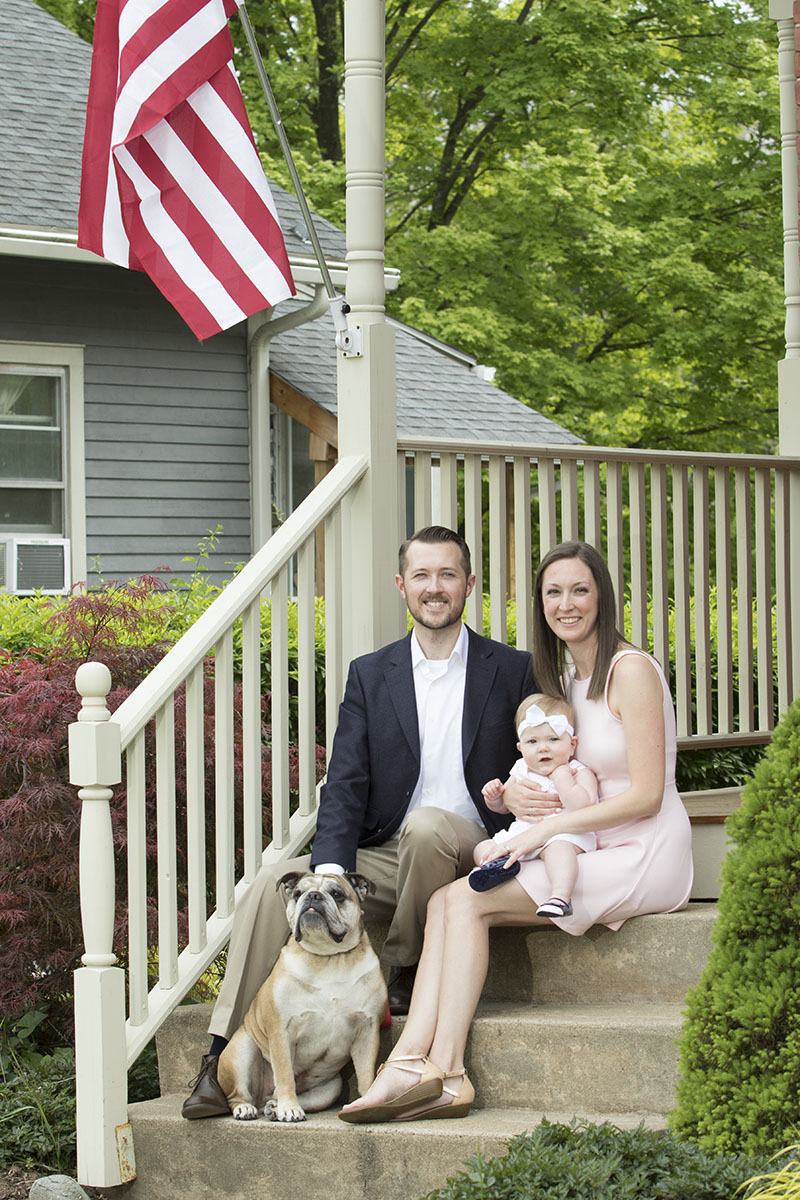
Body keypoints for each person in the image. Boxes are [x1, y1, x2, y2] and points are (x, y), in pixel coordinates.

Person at [181, 525, 535, 1119]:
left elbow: (538, 755)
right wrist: (330, 869)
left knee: (427, 825)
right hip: (388, 851)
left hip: (472, 846)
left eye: (448, 574)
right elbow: (344, 780)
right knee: (277, 885)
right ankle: (218, 1053)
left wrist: (520, 800)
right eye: (421, 575)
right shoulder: (373, 674)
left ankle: (403, 967)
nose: (434, 587)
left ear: (470, 584)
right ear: (402, 586)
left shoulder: (511, 668)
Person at [339, 539, 693, 1124]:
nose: (567, 604)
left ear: (602, 594)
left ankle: (435, 1069)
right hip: (583, 843)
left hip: (644, 848)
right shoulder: (564, 682)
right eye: (553, 592)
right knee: (450, 899)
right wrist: (521, 800)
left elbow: (648, 794)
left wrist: (545, 828)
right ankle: (421, 1067)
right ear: (541, 604)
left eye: (580, 589)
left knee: (467, 904)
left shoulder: (630, 671)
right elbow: (552, 769)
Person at [468, 693, 598, 919]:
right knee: (483, 847)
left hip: (562, 833)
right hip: (523, 834)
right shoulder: (520, 770)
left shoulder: (578, 770)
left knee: (559, 852)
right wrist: (495, 796)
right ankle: (496, 869)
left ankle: (560, 897)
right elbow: (503, 808)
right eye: (533, 742)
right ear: (520, 748)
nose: (543, 748)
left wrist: (562, 777)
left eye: (553, 740)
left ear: (572, 744)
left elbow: (583, 807)